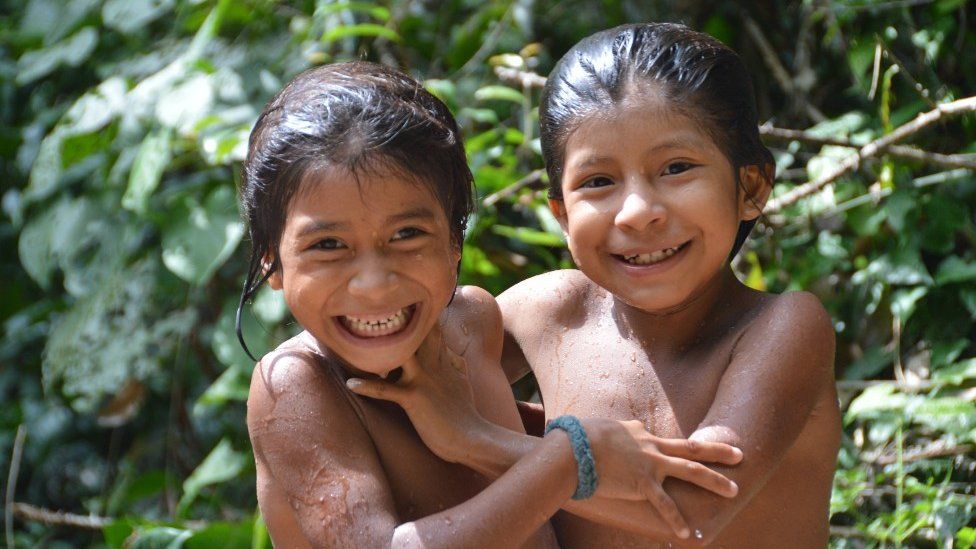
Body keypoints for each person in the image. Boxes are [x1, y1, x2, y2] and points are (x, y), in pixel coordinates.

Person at [348, 23, 841, 547]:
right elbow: (388, 356)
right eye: (598, 181)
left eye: (676, 168)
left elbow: (693, 507)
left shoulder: (783, 328)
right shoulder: (550, 312)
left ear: (750, 187)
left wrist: (477, 440)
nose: (637, 213)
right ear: (561, 212)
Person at [239, 60, 744, 548]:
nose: (373, 285)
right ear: (274, 265)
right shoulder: (295, 387)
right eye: (328, 246)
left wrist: (487, 439)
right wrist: (569, 459)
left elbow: (502, 447)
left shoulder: (470, 325)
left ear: (454, 245)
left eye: (407, 234)